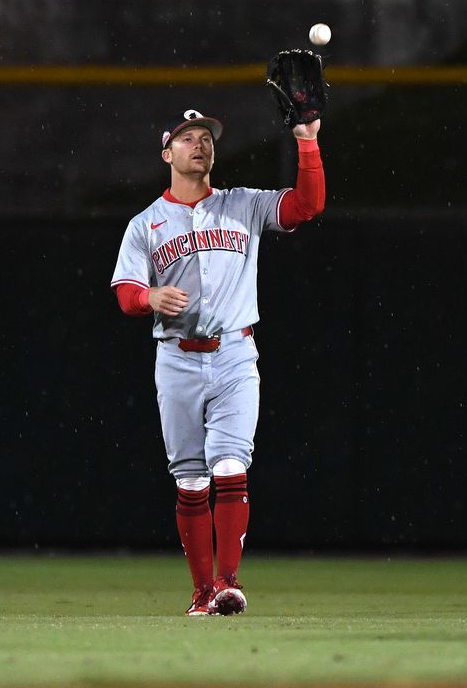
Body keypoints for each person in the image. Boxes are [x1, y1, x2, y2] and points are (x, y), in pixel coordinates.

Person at [109, 107, 325, 616]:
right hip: (177, 359)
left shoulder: (242, 205)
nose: (200, 144)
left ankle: (227, 584)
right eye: (187, 138)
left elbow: (305, 207)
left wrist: (307, 141)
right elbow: (125, 293)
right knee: (189, 478)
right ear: (167, 154)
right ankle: (201, 593)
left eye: (206, 138)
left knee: (230, 464)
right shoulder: (146, 224)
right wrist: (149, 299)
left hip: (233, 353)